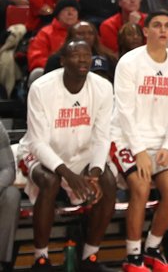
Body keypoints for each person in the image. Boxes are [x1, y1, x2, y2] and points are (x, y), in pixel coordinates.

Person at [17, 39, 119, 272]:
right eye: (76, 55)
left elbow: (102, 136)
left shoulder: (103, 87)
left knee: (108, 182)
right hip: (39, 151)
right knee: (50, 181)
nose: (83, 59)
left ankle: (90, 257)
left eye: (87, 55)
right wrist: (68, 175)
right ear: (62, 61)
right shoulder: (41, 88)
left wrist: (94, 173)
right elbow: (38, 142)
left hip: (82, 153)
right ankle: (41, 258)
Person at [113, 12, 168, 272]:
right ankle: (132, 256)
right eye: (157, 26)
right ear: (145, 31)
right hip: (126, 138)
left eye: (167, 26)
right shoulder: (129, 62)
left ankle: (152, 248)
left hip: (162, 139)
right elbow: (124, 111)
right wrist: (139, 151)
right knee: (140, 187)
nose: (163, 30)